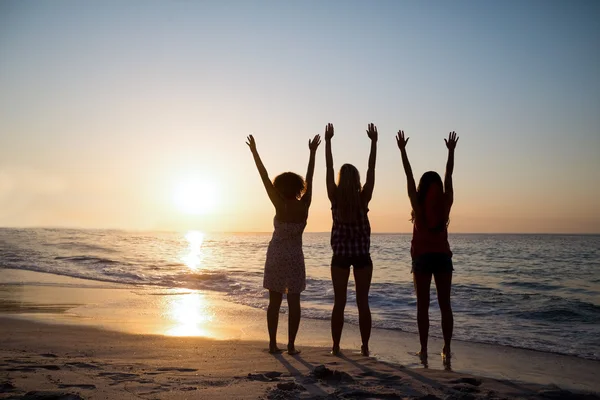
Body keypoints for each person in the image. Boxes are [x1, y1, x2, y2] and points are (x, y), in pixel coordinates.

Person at [246, 133, 321, 355]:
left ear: (280, 187)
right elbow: (311, 178)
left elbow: (264, 176)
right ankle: (290, 345)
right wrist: (312, 153)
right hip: (295, 257)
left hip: (277, 255)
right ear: (298, 187)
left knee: (274, 302)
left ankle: (272, 344)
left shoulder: (279, 203)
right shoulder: (304, 204)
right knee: (294, 302)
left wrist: (254, 152)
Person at [396, 130, 459, 366]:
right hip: (442, 257)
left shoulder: (417, 204)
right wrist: (451, 152)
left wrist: (403, 151)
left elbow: (409, 176)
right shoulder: (445, 203)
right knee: (445, 305)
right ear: (439, 187)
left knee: (423, 306)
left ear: (422, 188)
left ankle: (423, 349)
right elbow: (449, 174)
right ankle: (446, 347)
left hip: (422, 258)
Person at [325, 123, 377, 356]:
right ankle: (365, 346)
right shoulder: (363, 198)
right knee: (362, 302)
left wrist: (328, 142)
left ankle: (336, 346)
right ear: (356, 179)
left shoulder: (334, 197)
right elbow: (371, 170)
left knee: (340, 302)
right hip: (362, 256)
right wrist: (374, 143)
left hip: (340, 257)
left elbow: (328, 168)